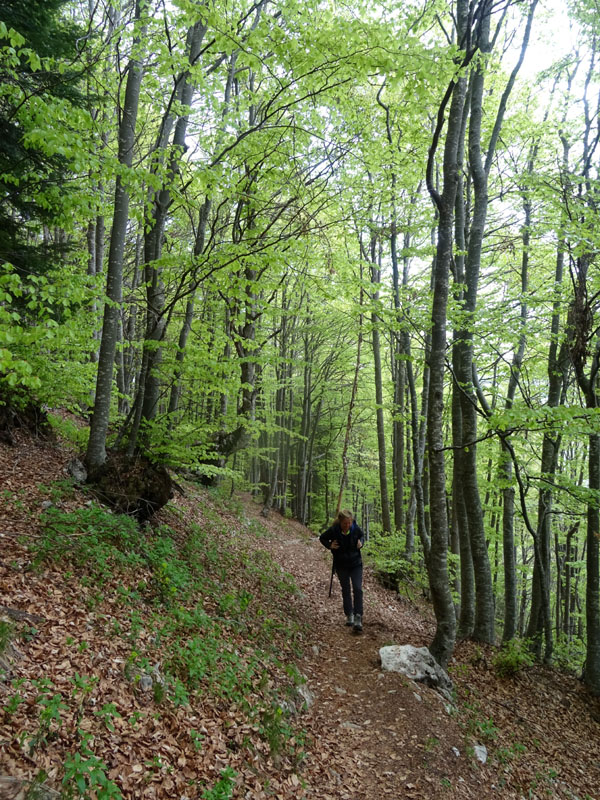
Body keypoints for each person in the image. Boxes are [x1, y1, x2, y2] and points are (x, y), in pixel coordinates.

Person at [319, 509, 365, 632]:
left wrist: (362, 543)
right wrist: (330, 545)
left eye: (349, 522)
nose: (347, 525)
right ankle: (349, 614)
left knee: (357, 588)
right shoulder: (334, 530)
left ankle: (358, 616)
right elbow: (322, 538)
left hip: (356, 564)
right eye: (345, 523)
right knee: (345, 588)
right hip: (341, 564)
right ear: (340, 522)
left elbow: (362, 536)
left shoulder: (355, 528)